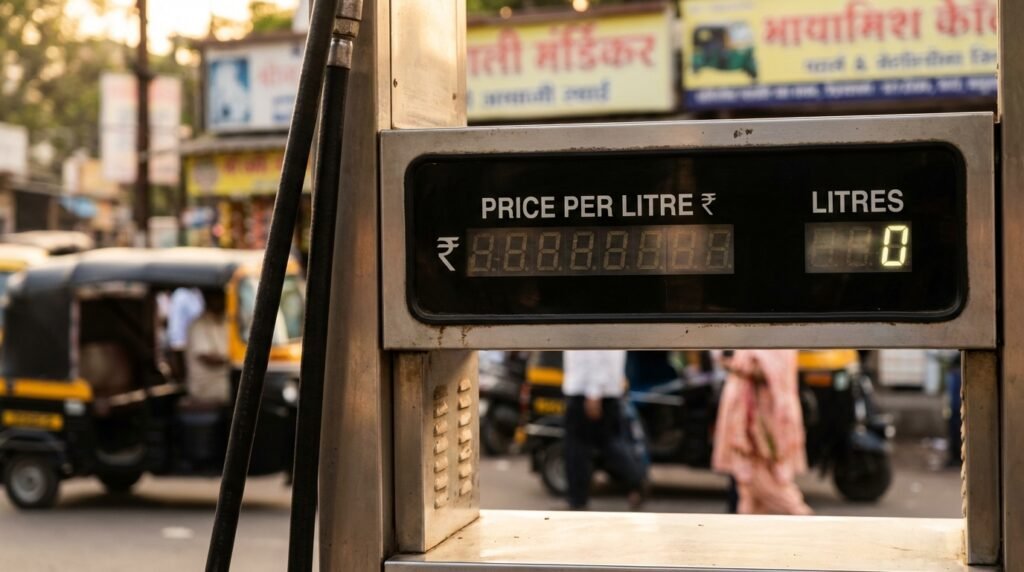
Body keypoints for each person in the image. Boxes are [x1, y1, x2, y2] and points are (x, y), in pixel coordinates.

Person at [712, 349, 812, 515]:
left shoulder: (774, 339)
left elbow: (768, 371)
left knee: (764, 483)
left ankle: (808, 523)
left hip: (762, 420)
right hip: (752, 418)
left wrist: (734, 364)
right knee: (748, 490)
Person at [562, 350, 647, 510]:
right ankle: (636, 480)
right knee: (607, 443)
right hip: (600, 390)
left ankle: (577, 500)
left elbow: (596, 350)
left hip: (588, 392)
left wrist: (594, 392)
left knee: (579, 448)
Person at [185, 290, 230, 405]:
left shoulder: (227, 321)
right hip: (206, 387)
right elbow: (208, 358)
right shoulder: (199, 324)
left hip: (224, 379)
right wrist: (234, 361)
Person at [165, 287, 205, 383]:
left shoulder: (198, 293)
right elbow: (176, 332)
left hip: (199, 345)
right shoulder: (181, 295)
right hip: (184, 348)